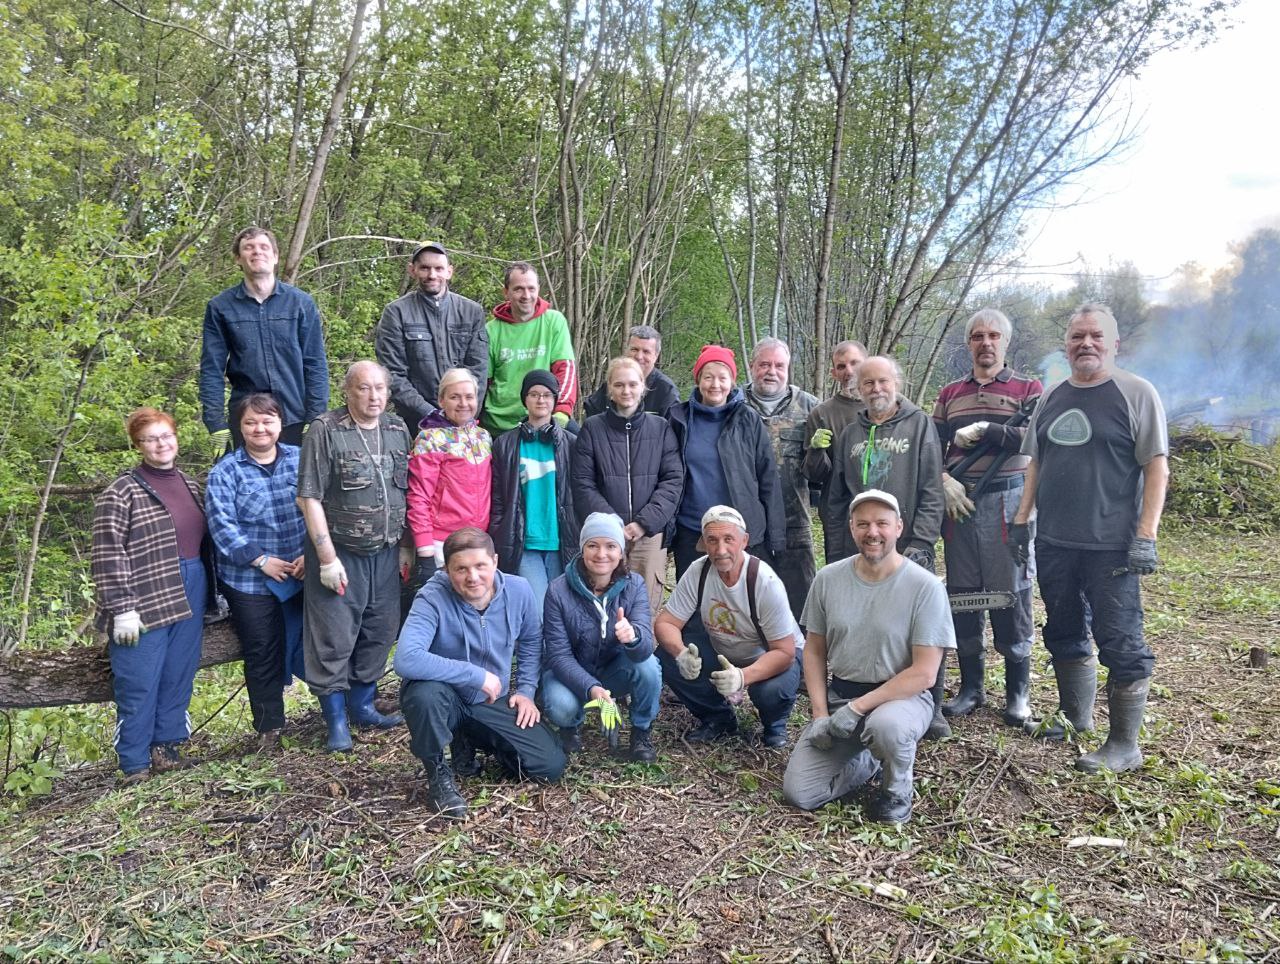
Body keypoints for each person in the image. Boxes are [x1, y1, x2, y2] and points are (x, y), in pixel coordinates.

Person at [1011, 304, 1168, 773]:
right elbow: (1036, 461)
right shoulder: (1053, 396)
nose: (1086, 344)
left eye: (1096, 336)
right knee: (1062, 628)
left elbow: (1156, 466)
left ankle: (1124, 745)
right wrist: (1023, 519)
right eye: (1077, 336)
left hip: (1112, 544)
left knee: (1120, 639)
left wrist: (1146, 535)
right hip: (1055, 540)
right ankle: (1076, 718)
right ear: (1066, 343)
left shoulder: (1136, 393)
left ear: (1114, 343)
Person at [782, 491, 955, 824]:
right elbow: (815, 650)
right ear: (851, 528)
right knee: (800, 793)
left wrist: (859, 708)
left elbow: (924, 673)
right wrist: (820, 714)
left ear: (898, 527)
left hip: (902, 699)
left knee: (885, 727)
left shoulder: (925, 587)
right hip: (842, 695)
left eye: (881, 523)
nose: (872, 532)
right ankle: (868, 760)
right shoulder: (828, 579)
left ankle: (897, 790)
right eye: (863, 524)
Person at [395, 528, 566, 819]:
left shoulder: (519, 590)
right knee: (423, 696)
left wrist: (525, 690)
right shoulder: (431, 597)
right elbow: (406, 658)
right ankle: (438, 773)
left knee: (549, 766)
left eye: (480, 566)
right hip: (444, 695)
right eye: (460, 569)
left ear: (495, 561)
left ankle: (467, 738)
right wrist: (472, 674)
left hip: (489, 699)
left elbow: (531, 641)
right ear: (447, 569)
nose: (472, 577)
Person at [826, 355, 948, 739]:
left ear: (897, 383)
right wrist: (836, 546)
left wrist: (923, 541)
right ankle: (865, 694)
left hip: (907, 543)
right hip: (861, 543)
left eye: (882, 382)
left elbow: (932, 488)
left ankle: (933, 704)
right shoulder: (851, 434)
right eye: (867, 384)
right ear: (857, 390)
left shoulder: (919, 425)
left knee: (921, 625)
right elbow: (836, 495)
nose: (876, 389)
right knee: (869, 622)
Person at [92, 409, 216, 783]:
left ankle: (167, 748)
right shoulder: (120, 493)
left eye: (166, 436)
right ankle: (133, 763)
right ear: (137, 445)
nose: (161, 444)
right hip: (143, 596)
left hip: (192, 587)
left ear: (176, 438)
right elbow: (107, 553)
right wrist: (122, 607)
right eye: (151, 439)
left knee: (178, 672)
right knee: (139, 678)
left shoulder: (191, 485)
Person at [931, 309, 1043, 727]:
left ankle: (1018, 693)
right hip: (960, 503)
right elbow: (931, 445)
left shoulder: (1029, 388)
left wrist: (987, 430)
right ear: (969, 343)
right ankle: (970, 687)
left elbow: (1035, 437)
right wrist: (943, 480)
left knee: (1011, 592)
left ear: (1006, 342)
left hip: (1008, 502)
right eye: (978, 336)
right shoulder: (949, 394)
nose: (986, 343)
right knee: (964, 593)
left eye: (994, 335)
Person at [296, 361, 410, 752]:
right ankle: (336, 721)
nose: (373, 396)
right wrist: (326, 558)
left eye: (380, 388)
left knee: (380, 631)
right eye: (364, 388)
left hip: (387, 551)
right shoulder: (325, 430)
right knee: (333, 637)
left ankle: (363, 706)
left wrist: (406, 548)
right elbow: (308, 496)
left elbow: (407, 492)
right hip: (341, 554)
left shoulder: (397, 429)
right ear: (347, 392)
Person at [205, 394, 308, 748]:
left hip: (302, 568)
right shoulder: (226, 471)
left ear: (280, 423)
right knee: (261, 648)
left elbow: (324, 504)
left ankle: (342, 707)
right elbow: (222, 526)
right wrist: (261, 560)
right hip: (249, 578)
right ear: (240, 427)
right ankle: (269, 727)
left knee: (325, 635)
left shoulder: (302, 459)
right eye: (251, 422)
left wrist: (313, 553)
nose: (260, 428)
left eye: (267, 421)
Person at [654, 506, 803, 747]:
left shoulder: (764, 581)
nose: (720, 550)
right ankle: (718, 718)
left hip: (768, 654)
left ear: (744, 541)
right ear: (704, 543)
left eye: (728, 539)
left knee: (770, 691)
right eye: (712, 540)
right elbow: (666, 622)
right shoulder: (699, 571)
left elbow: (784, 652)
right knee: (666, 658)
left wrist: (742, 677)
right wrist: (681, 653)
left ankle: (774, 725)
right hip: (723, 649)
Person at [540, 512, 660, 762]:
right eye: (592, 545)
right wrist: (592, 688)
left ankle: (641, 731)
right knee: (560, 707)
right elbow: (558, 655)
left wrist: (633, 636)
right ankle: (569, 727)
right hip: (571, 672)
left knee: (648, 667)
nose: (601, 554)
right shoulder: (558, 590)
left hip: (614, 669)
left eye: (610, 546)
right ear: (582, 548)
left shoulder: (634, 584)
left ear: (621, 552)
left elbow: (645, 647)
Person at [200, 226, 329, 450]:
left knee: (298, 484)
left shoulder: (301, 304)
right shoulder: (220, 307)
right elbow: (211, 369)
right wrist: (215, 423)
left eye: (263, 247)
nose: (256, 252)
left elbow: (315, 363)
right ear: (238, 259)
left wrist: (315, 417)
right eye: (248, 248)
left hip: (295, 419)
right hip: (247, 422)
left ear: (276, 256)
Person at [572, 356, 683, 611]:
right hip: (606, 538)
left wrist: (644, 523)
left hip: (649, 536)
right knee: (603, 605)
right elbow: (582, 483)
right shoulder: (592, 429)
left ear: (643, 387)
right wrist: (612, 525)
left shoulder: (661, 428)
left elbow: (673, 480)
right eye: (619, 385)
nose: (626, 391)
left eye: (633, 384)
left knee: (643, 610)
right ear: (610, 388)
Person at [666, 345, 786, 579]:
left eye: (723, 378)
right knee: (695, 604)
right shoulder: (678, 418)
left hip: (739, 530)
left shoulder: (748, 419)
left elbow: (768, 478)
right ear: (698, 379)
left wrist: (776, 536)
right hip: (692, 531)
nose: (715, 384)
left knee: (740, 605)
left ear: (732, 382)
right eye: (708, 377)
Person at [405, 368, 492, 621]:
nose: (463, 403)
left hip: (477, 540)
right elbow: (418, 496)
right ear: (441, 400)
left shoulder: (483, 436)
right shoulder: (430, 438)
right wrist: (424, 551)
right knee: (442, 616)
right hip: (441, 541)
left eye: (469, 397)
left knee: (474, 614)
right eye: (455, 397)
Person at [742, 338, 819, 625]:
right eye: (764, 364)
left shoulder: (810, 407)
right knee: (749, 597)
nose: (771, 371)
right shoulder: (734, 403)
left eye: (778, 365)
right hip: (748, 521)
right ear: (752, 367)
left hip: (794, 521)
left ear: (788, 369)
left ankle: (801, 666)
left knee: (801, 601)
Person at [489, 370, 580, 611]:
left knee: (564, 611)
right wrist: (500, 532)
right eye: (534, 394)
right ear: (525, 399)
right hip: (524, 542)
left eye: (547, 395)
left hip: (562, 542)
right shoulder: (505, 444)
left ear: (555, 400)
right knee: (537, 612)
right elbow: (498, 497)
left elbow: (581, 493)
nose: (541, 400)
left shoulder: (571, 444)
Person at [375, 242, 489, 428]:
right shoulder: (396, 312)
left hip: (463, 422)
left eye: (438, 268)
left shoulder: (472, 312)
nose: (432, 275)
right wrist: (430, 414)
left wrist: (464, 411)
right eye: (425, 268)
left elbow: (479, 370)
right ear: (412, 270)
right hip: (414, 422)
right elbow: (393, 374)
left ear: (449, 271)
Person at [483, 262, 577, 435]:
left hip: (545, 416)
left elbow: (565, 370)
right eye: (518, 289)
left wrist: (561, 411)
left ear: (538, 290)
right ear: (506, 292)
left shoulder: (554, 322)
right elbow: (483, 382)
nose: (526, 295)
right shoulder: (491, 330)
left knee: (586, 445)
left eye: (531, 289)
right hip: (499, 423)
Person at [803, 340, 868, 563]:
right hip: (840, 518)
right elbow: (815, 476)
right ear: (833, 373)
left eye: (854, 363)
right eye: (841, 366)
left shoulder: (886, 405)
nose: (849, 371)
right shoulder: (822, 413)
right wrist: (815, 451)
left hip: (884, 514)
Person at [582, 325, 681, 418]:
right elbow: (592, 413)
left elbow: (672, 430)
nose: (639, 356)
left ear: (656, 355)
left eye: (646, 351)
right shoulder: (615, 381)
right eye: (634, 349)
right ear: (626, 351)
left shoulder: (666, 390)